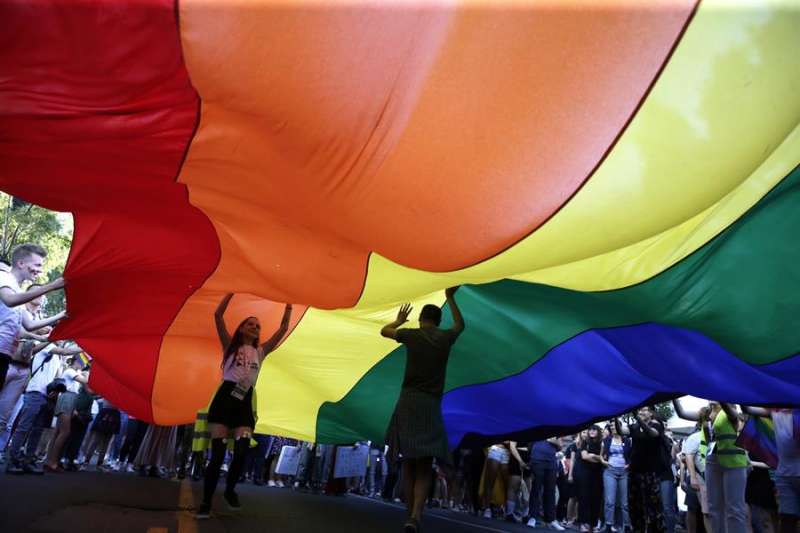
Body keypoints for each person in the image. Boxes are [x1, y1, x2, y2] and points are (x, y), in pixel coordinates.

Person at [196, 293, 292, 519]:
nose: (255, 327)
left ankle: (230, 490)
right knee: (217, 455)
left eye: (258, 326)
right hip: (225, 399)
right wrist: (231, 292)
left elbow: (283, 329)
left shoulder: (262, 351)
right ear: (241, 329)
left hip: (244, 403)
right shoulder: (229, 345)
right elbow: (218, 315)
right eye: (250, 324)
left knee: (241, 451)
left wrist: (288, 305)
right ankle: (206, 502)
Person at [381, 286, 465, 533]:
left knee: (409, 461)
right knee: (425, 464)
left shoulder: (412, 335)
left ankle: (409, 514)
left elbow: (384, 331)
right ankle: (416, 515)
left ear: (421, 319)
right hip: (430, 404)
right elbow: (460, 326)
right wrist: (450, 297)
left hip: (408, 402)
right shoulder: (444, 338)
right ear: (439, 321)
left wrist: (398, 320)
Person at [675, 399, 748, 533]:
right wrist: (674, 397)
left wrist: (719, 394)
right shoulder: (707, 413)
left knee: (734, 509)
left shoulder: (730, 412)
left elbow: (731, 413)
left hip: (733, 462)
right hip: (712, 462)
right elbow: (682, 414)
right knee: (713, 508)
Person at [0, 243, 64, 392]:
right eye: (37, 265)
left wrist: (62, 315)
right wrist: (51, 286)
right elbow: (10, 300)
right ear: (21, 263)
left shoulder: (16, 288)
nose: (40, 270)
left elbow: (30, 325)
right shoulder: (4, 277)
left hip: (5, 354)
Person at [741, 405, 799, 533]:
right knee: (787, 519)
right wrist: (740, 390)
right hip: (784, 475)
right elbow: (747, 409)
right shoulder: (775, 411)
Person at [617, 406, 666, 532]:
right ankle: (637, 529)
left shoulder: (657, 424)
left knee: (651, 505)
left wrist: (638, 418)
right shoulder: (634, 426)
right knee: (635, 504)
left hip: (650, 472)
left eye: (643, 410)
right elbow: (622, 431)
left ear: (651, 413)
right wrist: (615, 417)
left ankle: (654, 530)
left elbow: (652, 433)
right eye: (639, 411)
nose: (640, 412)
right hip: (635, 471)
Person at [43, 355, 89, 472]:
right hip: (67, 398)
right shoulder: (70, 371)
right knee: (65, 432)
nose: (84, 365)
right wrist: (87, 375)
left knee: (58, 432)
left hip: (70, 399)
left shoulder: (76, 373)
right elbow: (86, 381)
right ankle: (52, 462)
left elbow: (89, 390)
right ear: (76, 361)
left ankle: (50, 461)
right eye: (82, 362)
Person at [676, 403, 713, 533]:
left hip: (712, 478)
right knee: (693, 508)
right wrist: (688, 478)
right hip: (696, 477)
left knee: (707, 511)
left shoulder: (716, 434)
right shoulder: (695, 436)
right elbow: (686, 458)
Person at [527, 437, 565, 530]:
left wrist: (554, 442)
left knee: (551, 491)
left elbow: (560, 447)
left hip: (551, 461)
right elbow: (529, 444)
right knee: (536, 488)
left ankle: (551, 520)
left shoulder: (556, 429)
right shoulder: (537, 425)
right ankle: (532, 517)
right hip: (537, 459)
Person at [602, 422, 631, 532]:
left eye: (615, 426)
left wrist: (629, 464)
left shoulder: (627, 440)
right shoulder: (606, 440)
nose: (613, 428)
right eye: (611, 427)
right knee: (610, 501)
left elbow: (632, 455)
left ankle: (627, 526)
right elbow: (601, 455)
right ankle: (608, 525)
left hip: (624, 472)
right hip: (610, 471)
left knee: (624, 502)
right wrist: (603, 462)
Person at [578, 425, 604, 533]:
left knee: (596, 499)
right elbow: (584, 456)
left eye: (594, 429)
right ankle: (584, 523)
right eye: (590, 430)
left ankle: (594, 524)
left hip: (598, 474)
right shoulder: (585, 442)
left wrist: (593, 455)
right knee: (584, 498)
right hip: (585, 473)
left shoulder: (602, 443)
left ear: (598, 431)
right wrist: (597, 458)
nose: (592, 431)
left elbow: (604, 458)